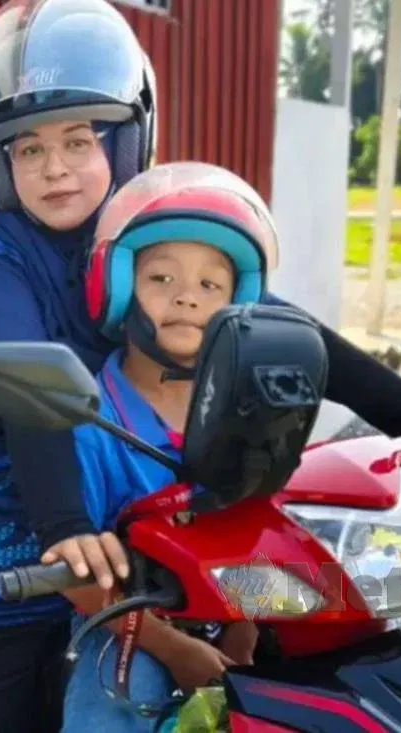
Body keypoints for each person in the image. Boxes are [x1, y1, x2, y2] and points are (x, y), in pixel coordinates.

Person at [0, 0, 401, 733]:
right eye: (30, 148)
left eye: (79, 140)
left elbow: (268, 319)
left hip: (145, 561)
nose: (56, 169)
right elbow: (26, 381)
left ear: (124, 140)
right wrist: (68, 524)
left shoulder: (150, 228)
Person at [61, 162, 279, 732]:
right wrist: (173, 649)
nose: (186, 297)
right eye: (161, 279)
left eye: (211, 284)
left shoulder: (248, 411)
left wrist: (242, 630)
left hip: (234, 612)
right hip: (126, 623)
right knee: (116, 704)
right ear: (118, 285)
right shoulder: (92, 418)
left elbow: (262, 525)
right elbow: (76, 573)